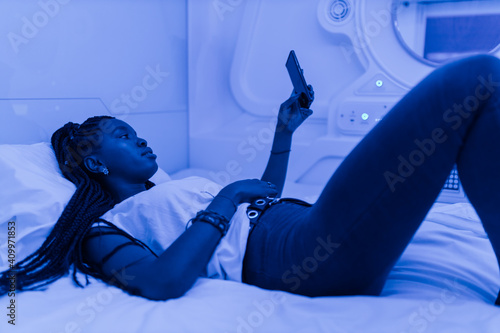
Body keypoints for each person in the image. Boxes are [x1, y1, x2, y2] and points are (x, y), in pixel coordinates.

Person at [1, 54, 500, 305]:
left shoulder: (161, 195)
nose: (142, 140)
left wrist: (283, 134)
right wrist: (225, 194)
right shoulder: (99, 229)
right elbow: (161, 282)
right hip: (301, 256)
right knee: (473, 80)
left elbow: (260, 201)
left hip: (305, 230)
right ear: (95, 164)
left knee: (479, 87)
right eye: (125, 136)